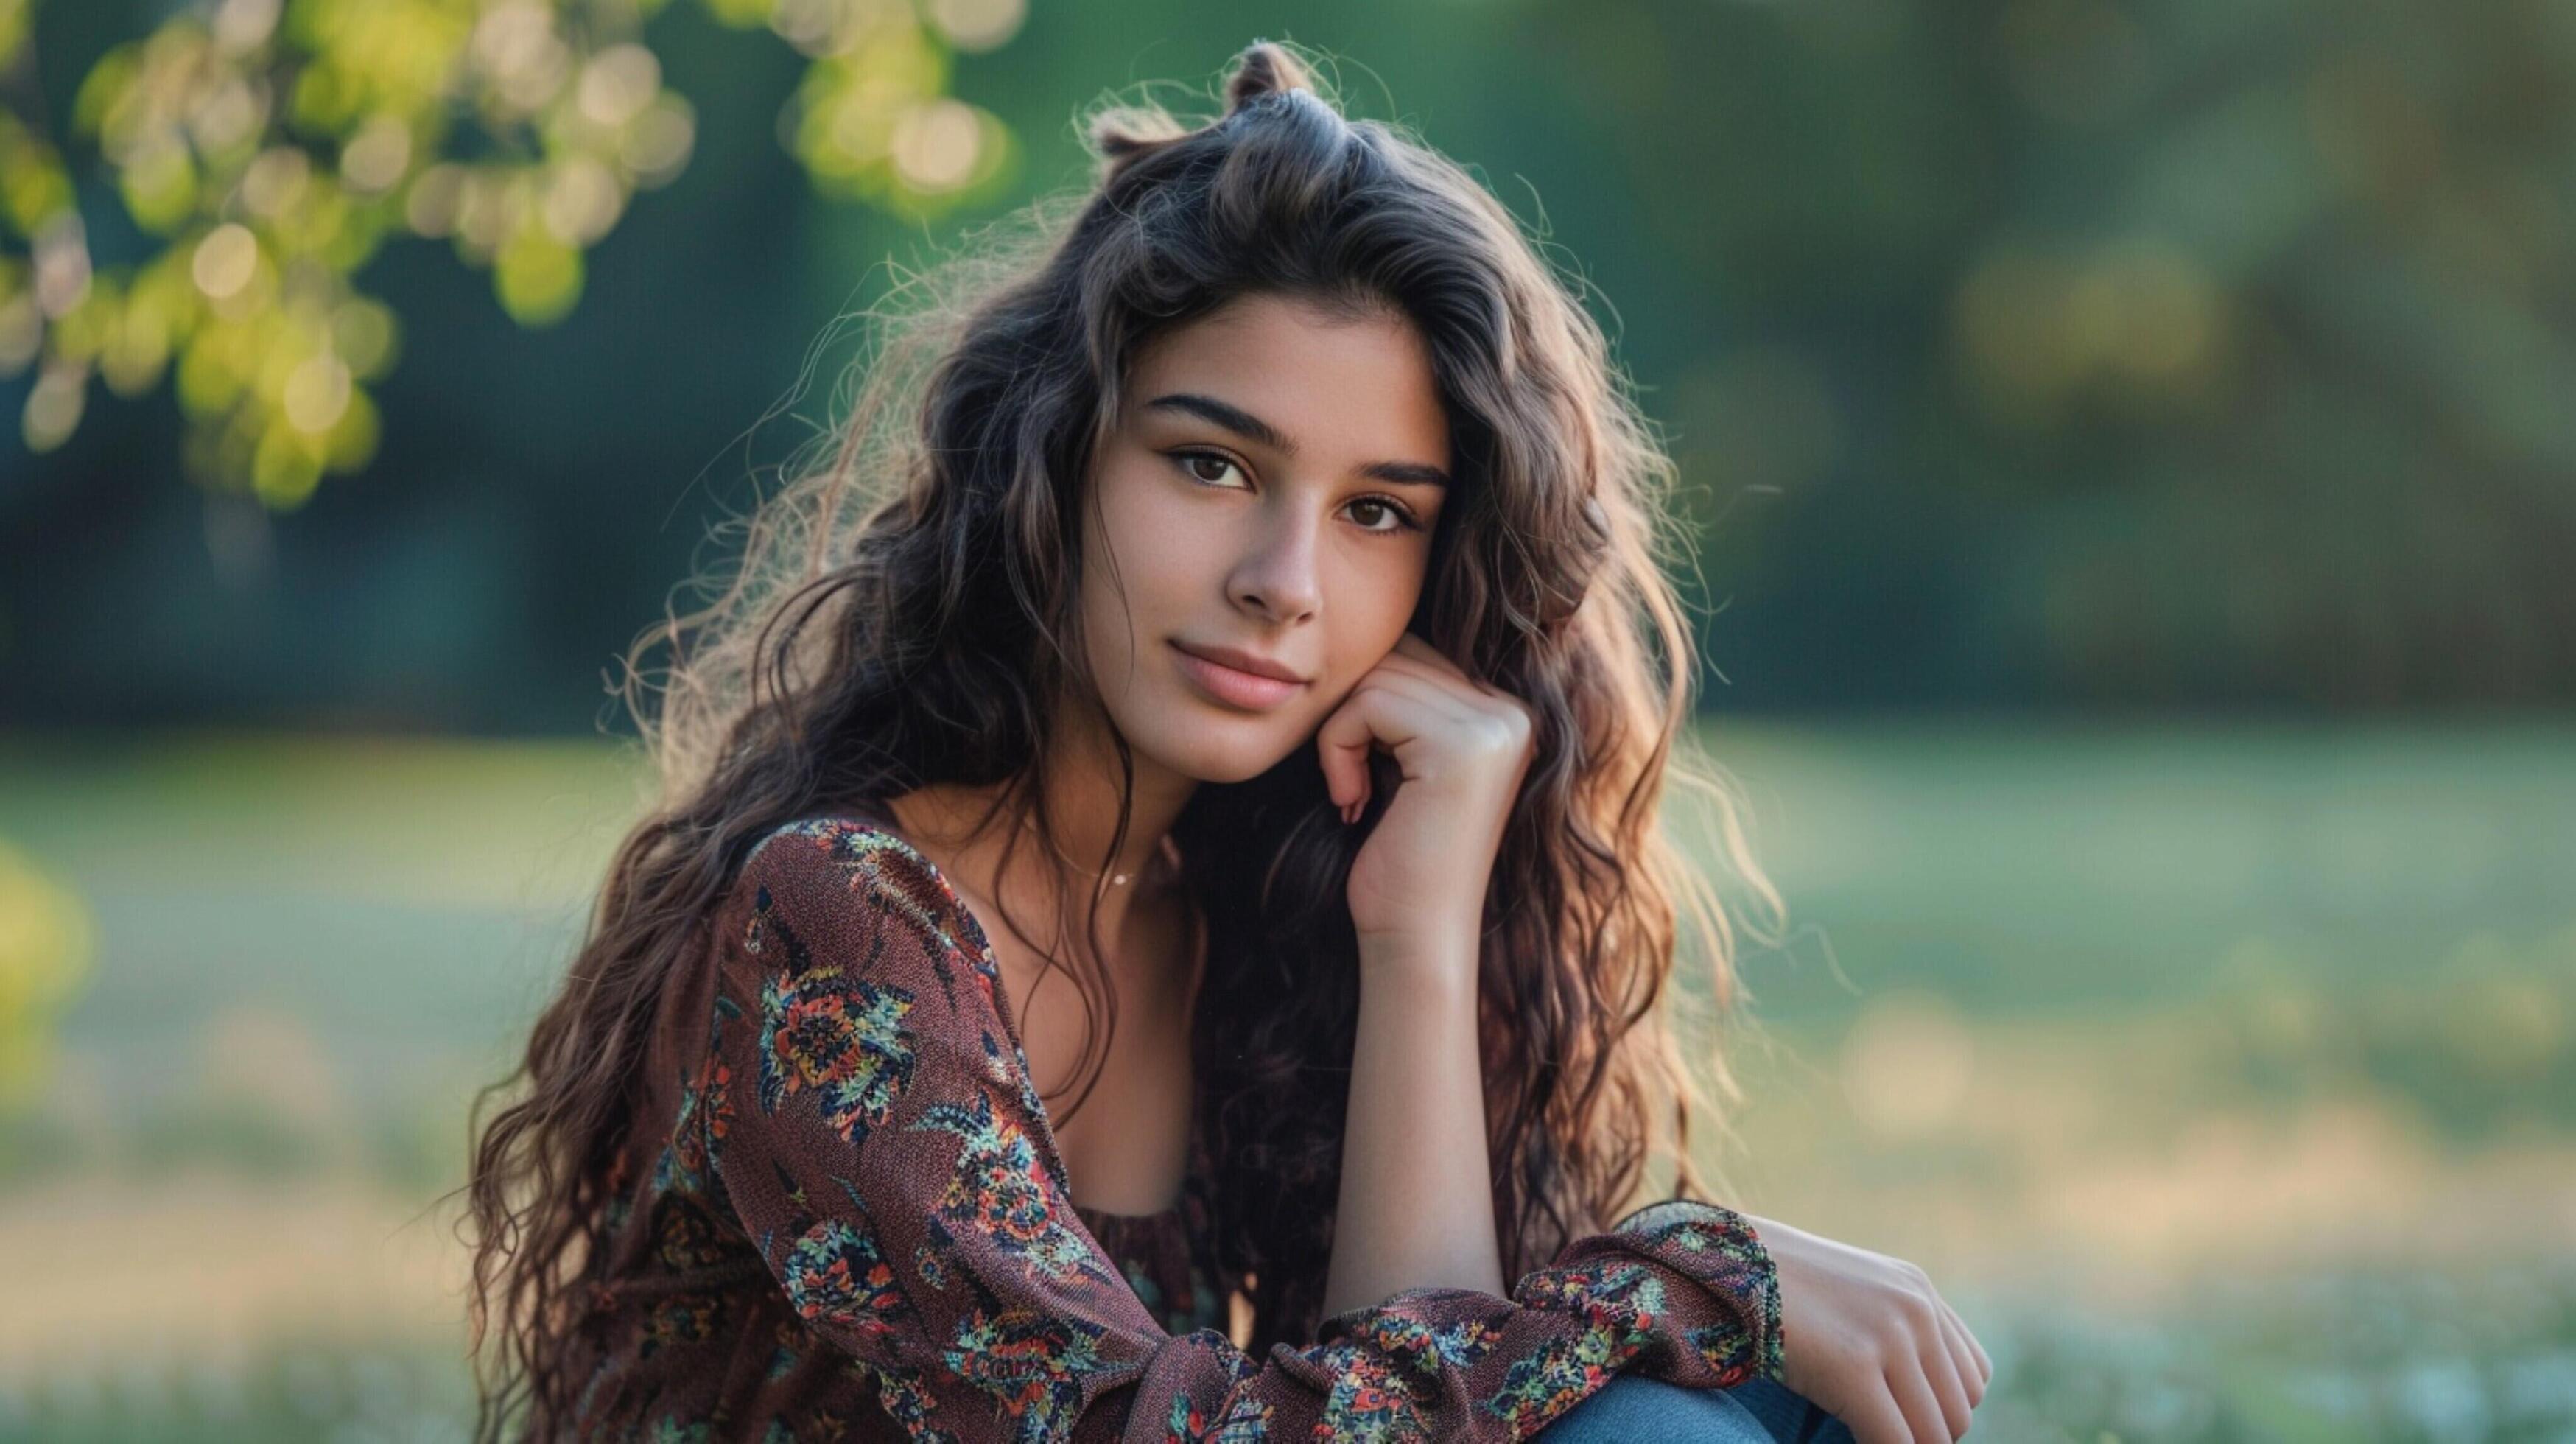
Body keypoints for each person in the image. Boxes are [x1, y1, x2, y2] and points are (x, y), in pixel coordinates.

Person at [460, 38, 1990, 1443]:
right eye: (1209, 463)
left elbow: (1433, 1391)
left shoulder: (1243, 897)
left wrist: (1420, 924)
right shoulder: (840, 910)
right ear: (1050, 456)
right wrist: (1677, 1272)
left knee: (1721, 1411)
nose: (1284, 581)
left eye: (1376, 510)